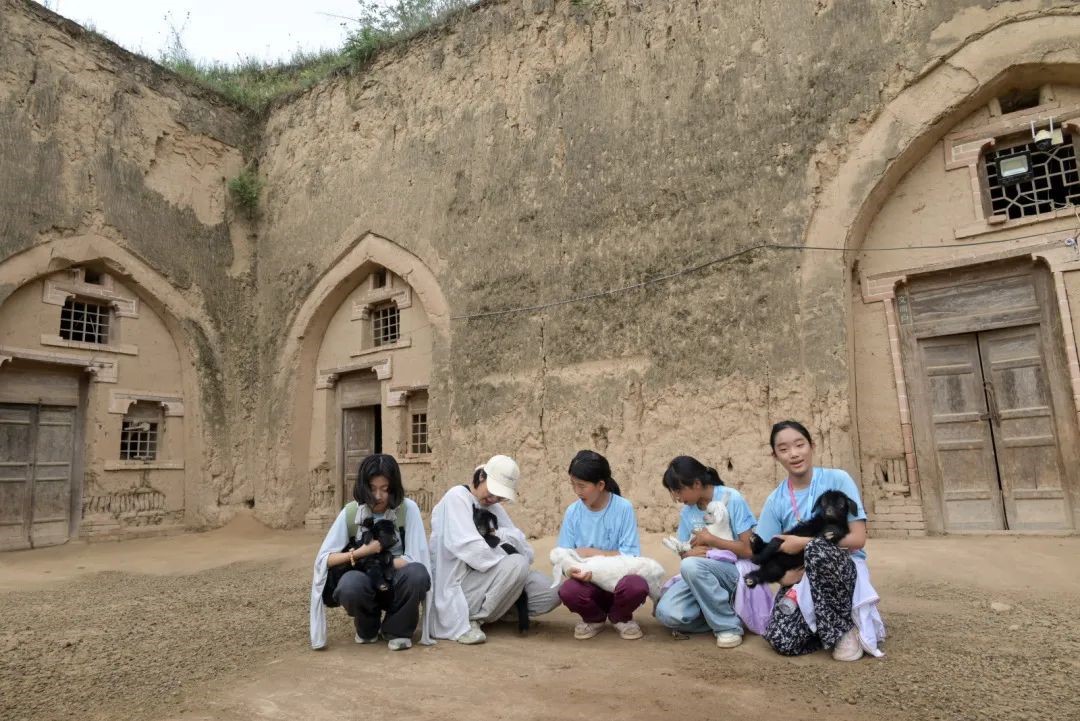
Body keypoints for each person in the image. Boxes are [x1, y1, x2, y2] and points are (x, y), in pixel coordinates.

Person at [755, 420, 885, 660]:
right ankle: (824, 628)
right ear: (775, 455)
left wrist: (803, 543)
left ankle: (845, 631)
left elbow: (858, 538)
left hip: (841, 569)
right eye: (784, 449)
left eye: (799, 445)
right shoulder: (776, 500)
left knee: (816, 549)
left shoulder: (838, 480)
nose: (794, 454)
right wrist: (783, 577)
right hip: (801, 577)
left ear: (812, 445)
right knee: (783, 641)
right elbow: (763, 552)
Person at [428, 454, 560, 644]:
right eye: (493, 491)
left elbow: (525, 550)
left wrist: (501, 542)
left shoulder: (493, 506)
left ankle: (497, 609)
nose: (494, 498)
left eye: (500, 496)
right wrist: (505, 551)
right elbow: (474, 552)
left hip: (488, 578)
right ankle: (470, 620)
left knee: (552, 591)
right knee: (517, 565)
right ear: (481, 477)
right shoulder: (457, 497)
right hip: (458, 583)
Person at [309, 453, 432, 651]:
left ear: (394, 488)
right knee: (350, 584)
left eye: (385, 489)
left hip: (396, 582)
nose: (378, 496)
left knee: (417, 574)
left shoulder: (408, 509)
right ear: (363, 487)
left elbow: (416, 559)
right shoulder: (351, 512)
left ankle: (397, 630)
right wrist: (361, 553)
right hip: (365, 582)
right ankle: (367, 627)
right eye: (372, 489)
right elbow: (325, 559)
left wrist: (381, 563)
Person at [653, 456, 759, 648]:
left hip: (735, 572)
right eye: (673, 492)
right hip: (702, 575)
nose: (676, 497)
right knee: (666, 614)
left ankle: (728, 627)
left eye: (678, 490)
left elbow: (749, 549)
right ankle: (727, 612)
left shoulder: (731, 498)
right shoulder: (687, 512)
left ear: (696, 484)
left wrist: (712, 540)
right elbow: (685, 551)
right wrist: (687, 554)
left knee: (691, 566)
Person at [556, 450, 649, 640]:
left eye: (582, 485)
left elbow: (630, 556)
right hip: (588, 584)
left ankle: (620, 617)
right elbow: (563, 555)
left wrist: (591, 553)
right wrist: (571, 570)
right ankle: (594, 618)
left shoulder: (623, 508)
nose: (577, 491)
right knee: (568, 590)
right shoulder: (573, 512)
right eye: (573, 485)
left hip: (618, 581)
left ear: (600, 485)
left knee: (637, 586)